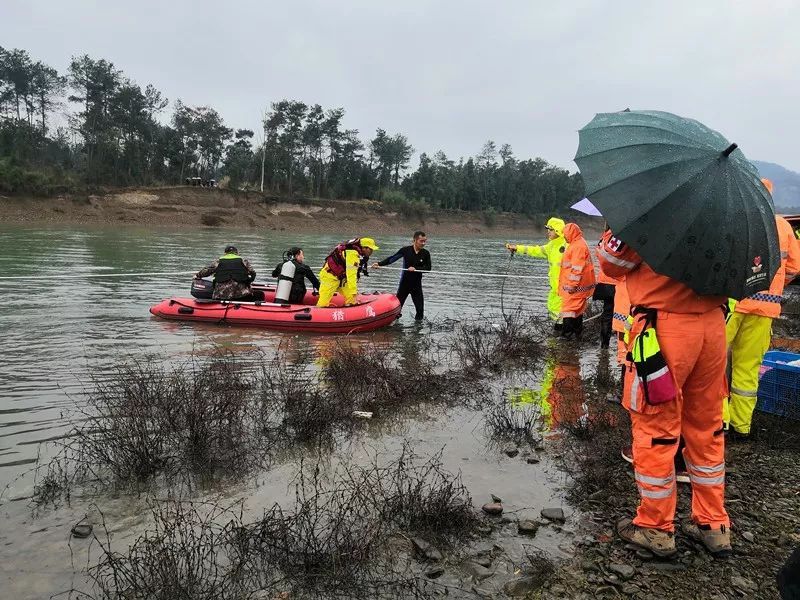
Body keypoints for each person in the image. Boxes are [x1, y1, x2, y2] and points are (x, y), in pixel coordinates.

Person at [598, 228, 730, 558]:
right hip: (713, 327)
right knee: (707, 429)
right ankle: (714, 526)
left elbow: (612, 263)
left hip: (665, 329)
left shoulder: (657, 212)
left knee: (655, 428)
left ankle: (655, 528)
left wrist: (619, 228)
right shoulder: (729, 216)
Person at [724, 179, 800, 440]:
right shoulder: (783, 225)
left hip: (733, 304)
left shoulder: (735, 220)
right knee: (747, 369)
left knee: (713, 368)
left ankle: (719, 423)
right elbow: (794, 268)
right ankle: (741, 427)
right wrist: (774, 286)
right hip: (765, 310)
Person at [505, 217, 567, 328]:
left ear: (558, 230)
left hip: (566, 291)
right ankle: (560, 338)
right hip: (555, 290)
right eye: (547, 229)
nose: (548, 231)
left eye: (551, 229)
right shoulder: (551, 246)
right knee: (555, 315)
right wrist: (517, 248)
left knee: (563, 321)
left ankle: (563, 338)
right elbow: (535, 250)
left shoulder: (567, 246)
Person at [371, 231, 431, 320]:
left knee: (420, 310)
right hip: (404, 285)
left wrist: (415, 268)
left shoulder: (425, 253)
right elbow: (392, 259)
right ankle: (394, 326)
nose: (423, 243)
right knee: (397, 309)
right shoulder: (405, 250)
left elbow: (428, 268)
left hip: (416, 286)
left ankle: (417, 332)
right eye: (421, 241)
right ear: (414, 240)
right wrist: (379, 264)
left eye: (424, 241)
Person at [316, 237, 379, 307]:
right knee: (323, 303)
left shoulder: (355, 251)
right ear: (364, 248)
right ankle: (319, 313)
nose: (372, 252)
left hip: (341, 278)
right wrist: (354, 291)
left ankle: (351, 314)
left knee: (352, 299)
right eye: (371, 249)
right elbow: (351, 274)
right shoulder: (352, 254)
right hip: (330, 277)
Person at [558, 223, 596, 339]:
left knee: (569, 310)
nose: (564, 237)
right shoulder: (577, 243)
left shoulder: (577, 246)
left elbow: (577, 268)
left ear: (570, 233)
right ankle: (577, 334)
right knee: (577, 311)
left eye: (565, 234)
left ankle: (567, 336)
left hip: (574, 288)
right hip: (579, 287)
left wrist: (571, 285)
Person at [195, 244, 264, 301]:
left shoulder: (218, 261)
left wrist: (197, 275)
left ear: (225, 253)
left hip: (221, 294)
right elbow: (253, 273)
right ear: (237, 252)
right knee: (259, 294)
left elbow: (206, 272)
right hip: (241, 294)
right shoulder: (243, 260)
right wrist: (250, 280)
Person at [594, 226, 617, 348]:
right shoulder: (620, 235)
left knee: (607, 314)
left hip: (605, 281)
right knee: (620, 314)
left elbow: (598, 253)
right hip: (617, 283)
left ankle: (604, 344)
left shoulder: (605, 236)